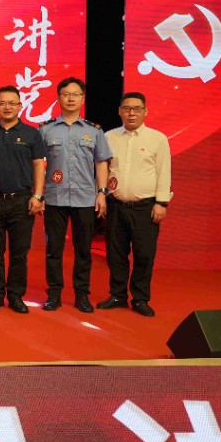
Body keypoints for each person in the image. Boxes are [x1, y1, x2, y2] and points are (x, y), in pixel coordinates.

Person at [40, 77, 112, 313]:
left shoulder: (94, 131)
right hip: (54, 198)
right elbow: (38, 164)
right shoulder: (45, 129)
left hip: (85, 198)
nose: (70, 98)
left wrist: (101, 193)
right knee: (54, 250)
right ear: (58, 98)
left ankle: (82, 295)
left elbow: (101, 163)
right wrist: (38, 194)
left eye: (75, 94)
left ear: (82, 98)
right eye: (66, 94)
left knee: (83, 251)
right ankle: (54, 294)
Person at [100, 92, 171, 318]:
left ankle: (140, 298)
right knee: (115, 254)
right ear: (120, 111)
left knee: (144, 255)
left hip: (145, 207)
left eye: (137, 109)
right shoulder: (109, 137)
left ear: (145, 111)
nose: (132, 113)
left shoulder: (157, 139)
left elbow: (164, 172)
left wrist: (161, 203)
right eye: (127, 108)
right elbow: (103, 169)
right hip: (116, 205)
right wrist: (101, 195)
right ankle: (117, 295)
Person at [0, 86, 46, 315]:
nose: (7, 107)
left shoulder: (31, 134)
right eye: (2, 103)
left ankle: (16, 296)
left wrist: (38, 195)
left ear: (20, 105)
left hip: (22, 200)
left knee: (19, 253)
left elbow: (38, 165)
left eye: (12, 103)